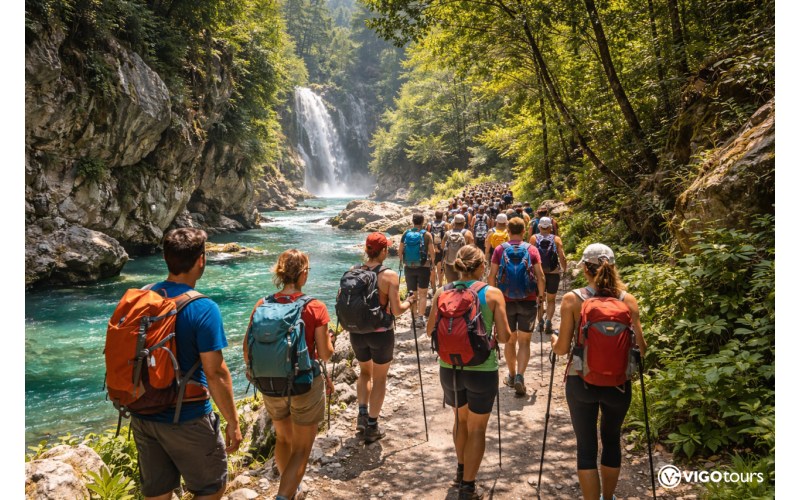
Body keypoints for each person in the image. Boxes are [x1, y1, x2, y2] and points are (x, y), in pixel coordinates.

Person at [132, 228, 241, 500]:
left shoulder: (142, 297)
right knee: (211, 490)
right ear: (201, 260)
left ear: (166, 258)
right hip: (188, 417)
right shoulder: (203, 308)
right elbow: (215, 372)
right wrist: (233, 421)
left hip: (142, 412)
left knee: (157, 494)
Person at [551, 244, 646, 500]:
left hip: (581, 381)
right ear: (613, 267)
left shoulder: (573, 299)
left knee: (586, 448)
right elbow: (641, 349)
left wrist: (553, 340)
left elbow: (561, 349)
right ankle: (608, 498)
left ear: (585, 268)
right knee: (612, 440)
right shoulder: (627, 300)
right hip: (619, 384)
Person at [243, 249, 333, 500]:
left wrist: (255, 374)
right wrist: (330, 341)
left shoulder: (262, 305)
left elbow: (247, 348)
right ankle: (284, 495)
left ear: (280, 273)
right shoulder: (315, 307)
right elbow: (325, 355)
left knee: (283, 440)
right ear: (303, 274)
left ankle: (292, 489)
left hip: (270, 384)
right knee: (302, 448)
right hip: (304, 384)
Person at [426, 245, 512, 500]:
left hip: (449, 368)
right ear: (481, 266)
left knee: (460, 421)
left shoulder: (442, 291)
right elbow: (505, 337)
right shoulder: (493, 293)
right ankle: (468, 487)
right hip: (482, 370)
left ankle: (461, 470)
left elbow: (431, 328)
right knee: (477, 429)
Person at [353, 233, 417, 441]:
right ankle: (372, 426)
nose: (387, 251)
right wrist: (410, 302)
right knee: (379, 378)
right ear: (381, 251)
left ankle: (361, 414)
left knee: (364, 372)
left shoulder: (354, 271)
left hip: (358, 333)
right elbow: (396, 310)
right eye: (386, 248)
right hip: (381, 334)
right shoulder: (389, 275)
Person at [487, 218, 545, 396]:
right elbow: (540, 277)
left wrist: (494, 298)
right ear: (524, 229)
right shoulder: (532, 249)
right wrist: (541, 298)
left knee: (510, 341)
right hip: (528, 298)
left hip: (505, 300)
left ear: (508, 230)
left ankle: (511, 376)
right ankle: (520, 376)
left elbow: (492, 276)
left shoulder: (499, 249)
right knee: (525, 341)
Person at [530, 217, 567, 335]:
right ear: (551, 227)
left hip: (538, 274)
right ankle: (549, 322)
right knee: (551, 300)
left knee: (540, 298)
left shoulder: (533, 238)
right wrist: (565, 269)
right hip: (553, 273)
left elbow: (529, 256)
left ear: (539, 227)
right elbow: (562, 257)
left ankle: (540, 321)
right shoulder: (556, 239)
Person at [399, 213, 435, 325]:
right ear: (423, 222)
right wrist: (432, 263)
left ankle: (414, 317)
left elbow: (400, 251)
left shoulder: (406, 233)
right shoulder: (427, 234)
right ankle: (420, 318)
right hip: (423, 267)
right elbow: (432, 253)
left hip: (409, 267)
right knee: (423, 294)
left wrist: (403, 262)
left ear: (412, 221)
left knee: (412, 294)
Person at [443, 214, 475, 283]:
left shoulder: (447, 233)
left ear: (454, 223)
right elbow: (472, 250)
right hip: (463, 264)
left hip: (449, 263)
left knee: (450, 285)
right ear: (464, 223)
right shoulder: (468, 233)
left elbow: (443, 248)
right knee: (463, 284)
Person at [428, 210, 450, 289]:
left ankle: (433, 288)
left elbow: (427, 236)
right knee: (440, 267)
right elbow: (448, 236)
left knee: (432, 268)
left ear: (435, 216)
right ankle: (440, 285)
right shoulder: (446, 224)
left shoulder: (429, 224)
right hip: (442, 249)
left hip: (431, 249)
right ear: (443, 216)